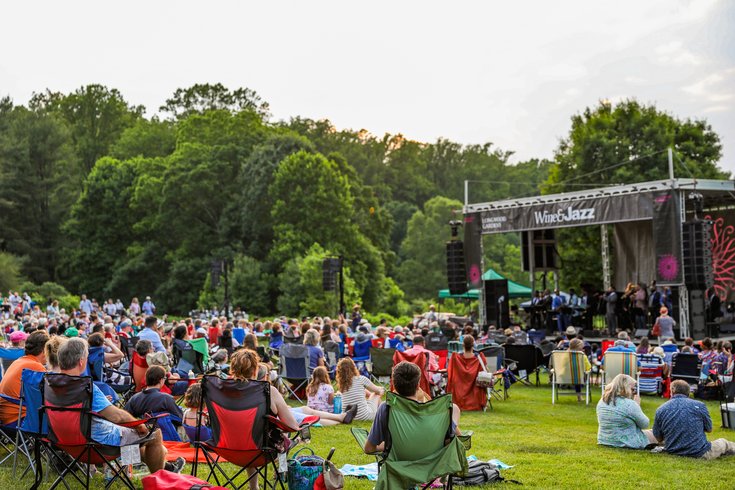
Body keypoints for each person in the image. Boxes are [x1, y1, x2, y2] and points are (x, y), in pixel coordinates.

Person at [56, 338, 184, 473]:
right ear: (81, 361)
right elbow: (117, 417)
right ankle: (161, 478)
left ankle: (158, 468)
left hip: (64, 441)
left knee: (132, 438)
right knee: (154, 433)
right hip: (95, 444)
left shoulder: (48, 385)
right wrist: (139, 425)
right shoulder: (86, 387)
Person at [364, 361, 461, 454]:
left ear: (394, 385)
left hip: (399, 466)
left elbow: (369, 449)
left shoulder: (386, 407)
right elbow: (459, 442)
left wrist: (384, 445)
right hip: (434, 464)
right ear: (418, 385)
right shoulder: (437, 409)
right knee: (455, 409)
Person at [653, 380, 735, 459]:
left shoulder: (661, 409)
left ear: (672, 392)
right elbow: (709, 429)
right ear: (688, 393)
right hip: (700, 452)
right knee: (723, 442)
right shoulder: (700, 405)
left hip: (672, 451)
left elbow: (658, 438)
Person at [0, 330, 48, 425]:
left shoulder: (19, 361)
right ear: (44, 350)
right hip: (19, 419)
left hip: (6, 416)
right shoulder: (36, 367)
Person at [596, 374, 657, 448]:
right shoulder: (630, 404)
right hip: (628, 442)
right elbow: (644, 424)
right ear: (626, 388)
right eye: (632, 389)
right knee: (657, 434)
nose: (634, 392)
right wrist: (637, 405)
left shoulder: (602, 401)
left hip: (605, 440)